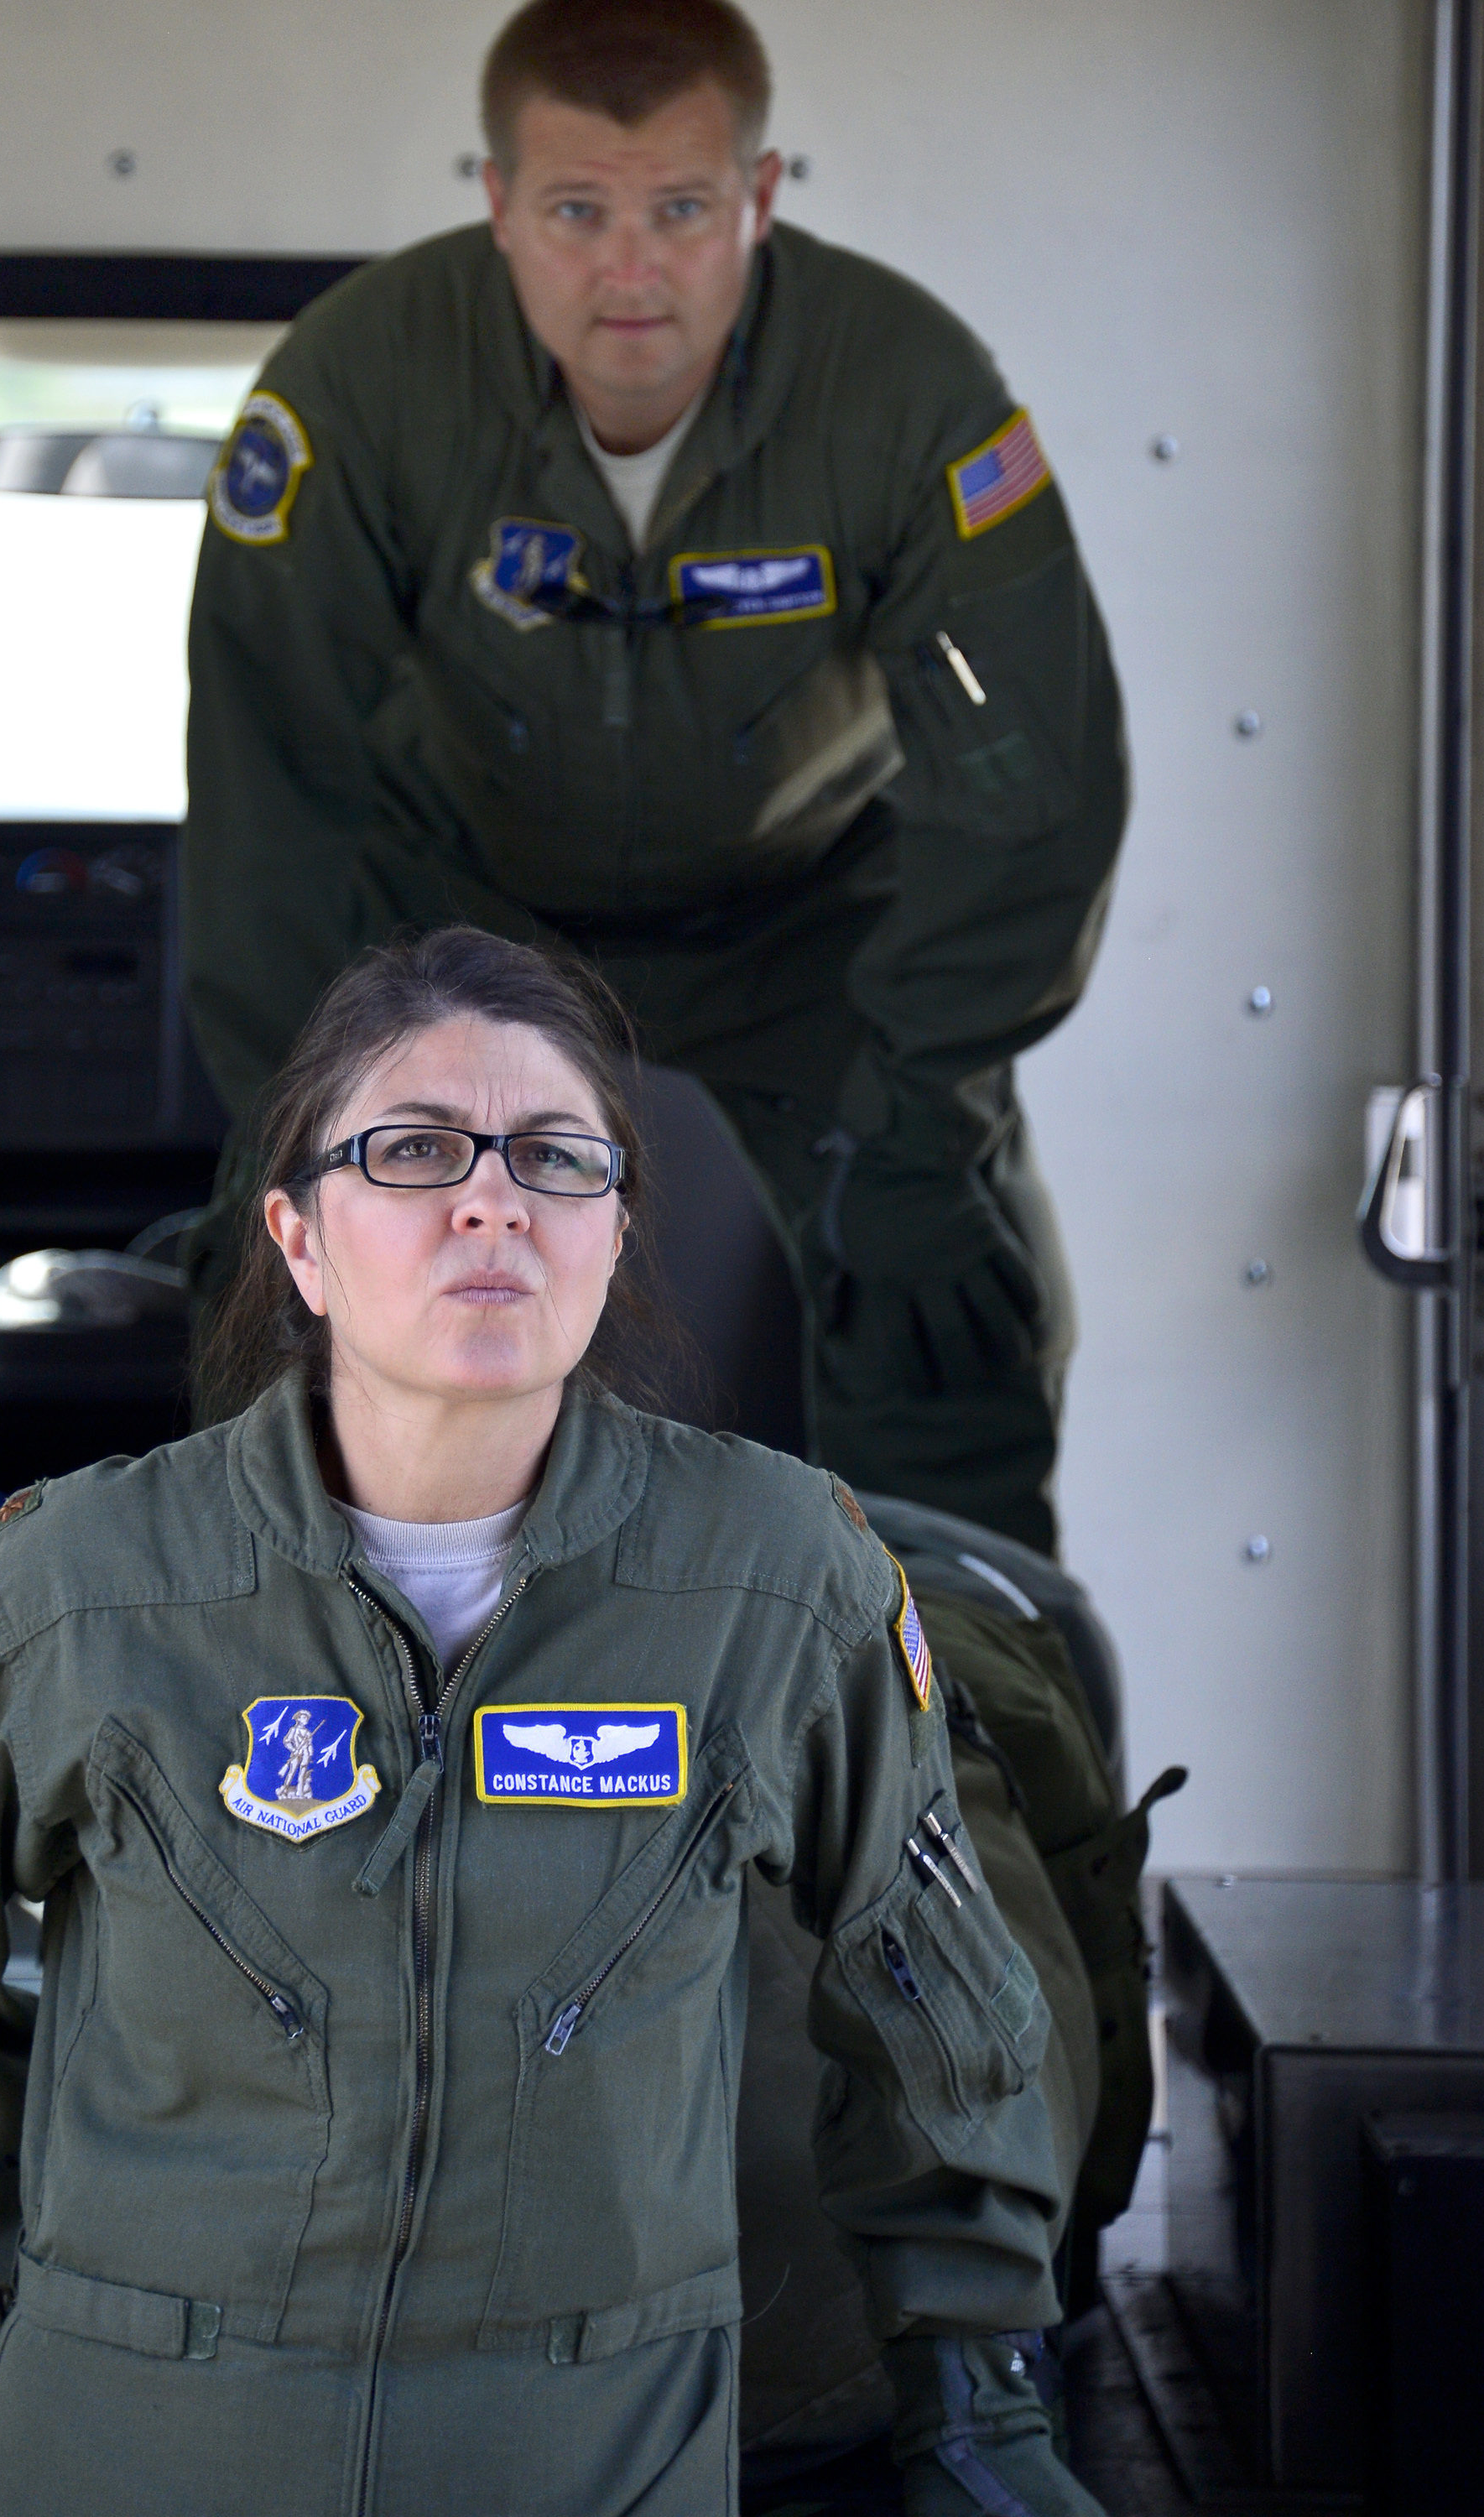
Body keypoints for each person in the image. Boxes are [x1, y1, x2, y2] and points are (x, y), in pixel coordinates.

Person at [0, 927, 1108, 2517]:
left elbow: (938, 2014)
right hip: (142, 2452)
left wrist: (975, 2405)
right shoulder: (68, 1590)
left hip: (591, 2460)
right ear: (299, 1238)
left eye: (557, 1159)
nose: (490, 1200)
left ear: (615, 1231)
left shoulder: (780, 1585)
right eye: (416, 1151)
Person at [182, 0, 1127, 1560]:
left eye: (681, 210)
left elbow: (1028, 781)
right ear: (497, 204)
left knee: (947, 1276)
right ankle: (296, 1700)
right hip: (459, 926)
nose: (631, 269)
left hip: (805, 926)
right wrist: (294, 1124)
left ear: (758, 199)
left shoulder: (906, 391)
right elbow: (274, 772)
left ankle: (967, 1740)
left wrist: (921, 1108)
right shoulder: (359, 385)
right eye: (576, 212)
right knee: (289, 1268)